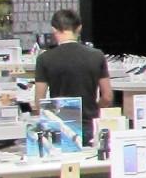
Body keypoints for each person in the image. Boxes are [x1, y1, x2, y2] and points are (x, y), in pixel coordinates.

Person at [33, 8, 111, 140]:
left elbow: (39, 101)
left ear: (54, 29)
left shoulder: (44, 59)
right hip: (90, 125)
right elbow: (107, 97)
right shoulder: (97, 56)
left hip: (60, 126)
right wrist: (94, 109)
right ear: (79, 28)